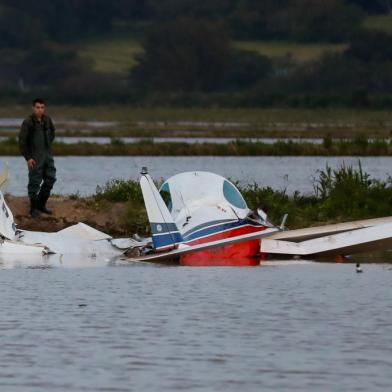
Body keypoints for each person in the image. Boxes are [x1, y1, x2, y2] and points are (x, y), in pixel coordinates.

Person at [18, 98, 56, 218]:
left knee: (51, 178)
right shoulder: (28, 122)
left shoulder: (47, 120)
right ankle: (33, 209)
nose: (40, 110)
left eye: (42, 107)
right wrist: (28, 158)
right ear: (33, 108)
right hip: (34, 157)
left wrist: (47, 148)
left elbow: (52, 133)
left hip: (47, 155)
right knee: (34, 182)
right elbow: (22, 142)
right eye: (38, 107)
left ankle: (41, 205)